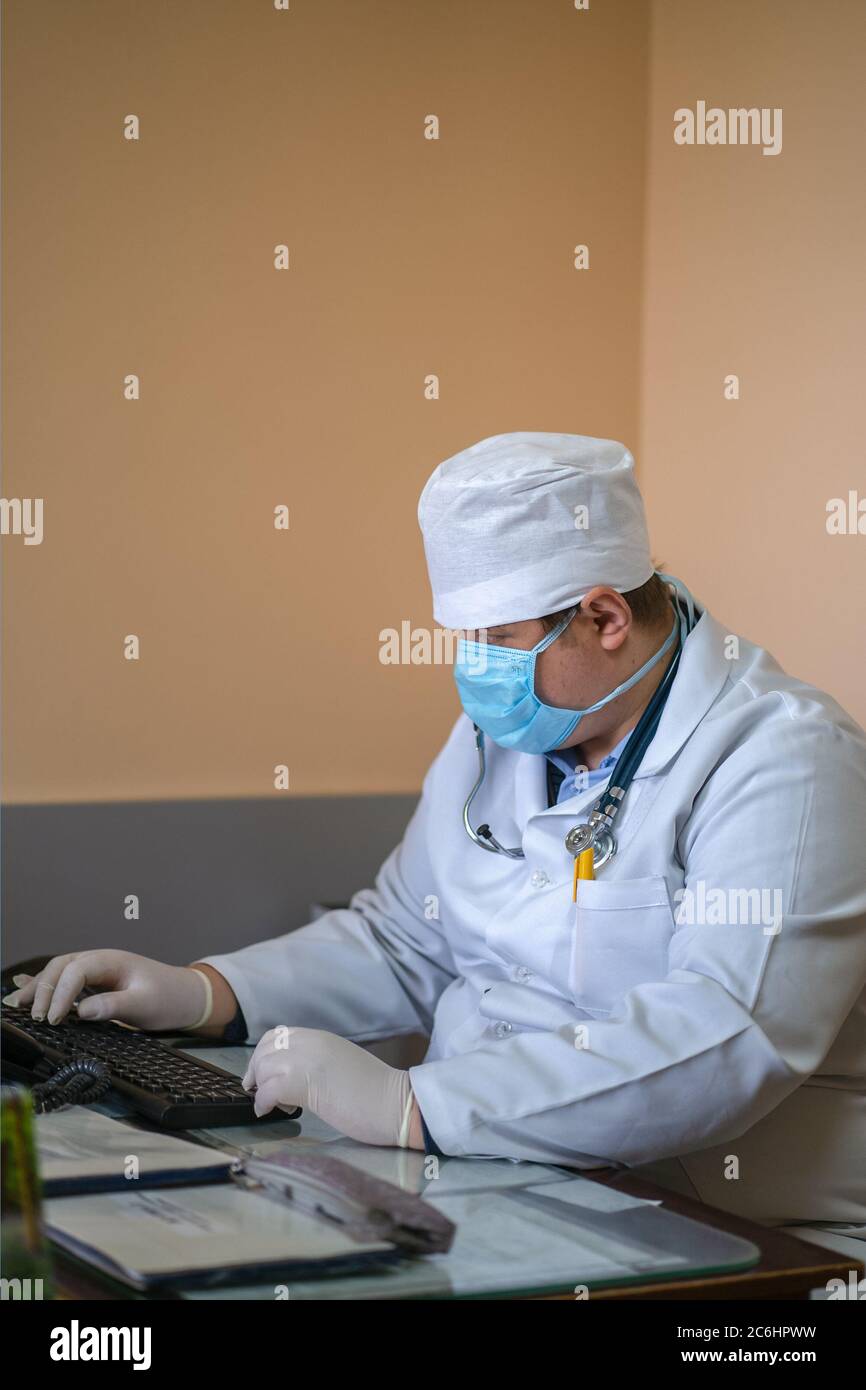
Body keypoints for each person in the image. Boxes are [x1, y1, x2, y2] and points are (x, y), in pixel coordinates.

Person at [6, 432, 866, 1247]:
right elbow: (404, 936)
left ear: (605, 617)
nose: (472, 668)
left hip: (728, 1223)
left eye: (496, 640)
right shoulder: (515, 732)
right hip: (495, 1180)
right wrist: (206, 992)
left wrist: (417, 1106)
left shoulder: (783, 759)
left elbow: (725, 1034)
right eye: (466, 637)